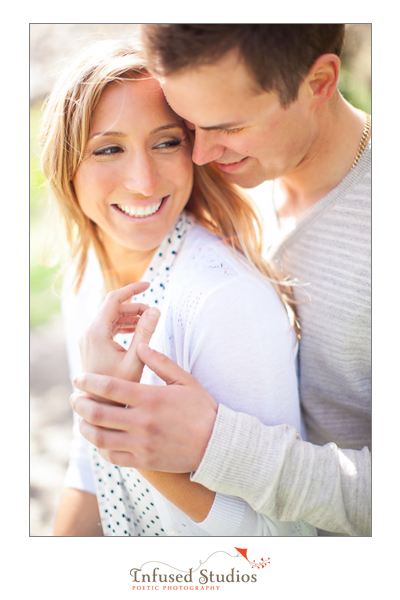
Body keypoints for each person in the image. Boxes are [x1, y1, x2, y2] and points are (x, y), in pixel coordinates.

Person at [70, 24, 371, 537]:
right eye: (187, 126)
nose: (201, 155)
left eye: (227, 126)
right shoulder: (231, 181)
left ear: (319, 82)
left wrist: (217, 445)